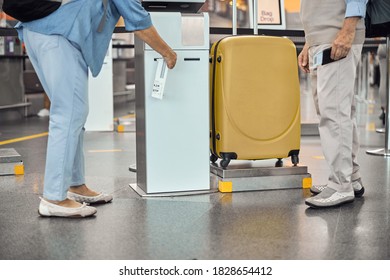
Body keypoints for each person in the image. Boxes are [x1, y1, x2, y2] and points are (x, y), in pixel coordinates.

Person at [15, 0, 177, 217]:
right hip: (59, 36)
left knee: (73, 115)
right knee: (69, 114)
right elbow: (138, 21)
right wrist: (168, 52)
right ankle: (54, 197)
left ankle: (75, 184)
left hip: (41, 33)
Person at [298, 0, 367, 208]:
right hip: (323, 37)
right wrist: (310, 43)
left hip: (337, 35)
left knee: (334, 112)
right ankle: (351, 177)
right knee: (337, 109)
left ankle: (340, 185)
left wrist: (348, 29)